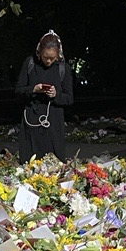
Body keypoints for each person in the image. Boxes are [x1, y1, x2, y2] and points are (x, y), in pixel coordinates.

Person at [15, 31, 74, 162]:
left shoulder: (63, 68)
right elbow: (18, 91)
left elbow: (69, 98)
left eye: (52, 58)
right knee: (30, 162)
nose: (48, 61)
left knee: (54, 165)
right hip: (32, 119)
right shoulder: (30, 63)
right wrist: (33, 89)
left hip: (54, 122)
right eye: (45, 56)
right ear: (39, 52)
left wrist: (56, 95)